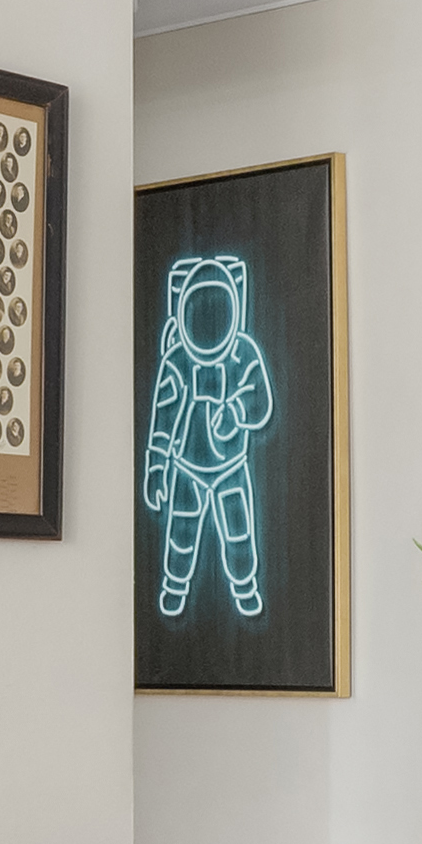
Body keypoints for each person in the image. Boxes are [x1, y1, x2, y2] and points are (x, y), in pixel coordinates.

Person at [140, 251, 277, 622]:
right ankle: (174, 585)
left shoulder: (243, 352)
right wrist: (156, 467)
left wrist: (234, 412)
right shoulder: (177, 361)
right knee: (181, 533)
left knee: (239, 533)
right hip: (187, 468)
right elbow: (163, 417)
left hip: (231, 466)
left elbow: (260, 399)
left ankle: (245, 585)